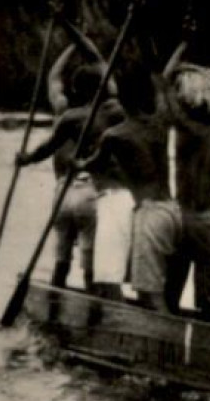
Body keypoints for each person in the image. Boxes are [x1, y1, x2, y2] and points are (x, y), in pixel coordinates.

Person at [13, 41, 122, 290]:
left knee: (61, 259)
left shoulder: (64, 113)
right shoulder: (111, 113)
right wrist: (82, 39)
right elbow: (101, 63)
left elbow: (53, 76)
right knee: (90, 262)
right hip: (90, 193)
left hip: (62, 194)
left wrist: (26, 159)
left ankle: (56, 301)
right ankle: (90, 306)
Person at [76, 57, 179, 312]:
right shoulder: (160, 123)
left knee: (148, 293)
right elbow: (164, 82)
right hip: (173, 211)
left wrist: (76, 164)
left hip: (150, 214)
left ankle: (161, 340)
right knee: (159, 289)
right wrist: (182, 46)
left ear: (121, 101)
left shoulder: (114, 135)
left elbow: (93, 164)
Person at [162, 26, 210, 319]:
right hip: (205, 217)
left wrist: (183, 46)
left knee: (171, 289)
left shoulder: (182, 130)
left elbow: (165, 80)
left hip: (179, 216)